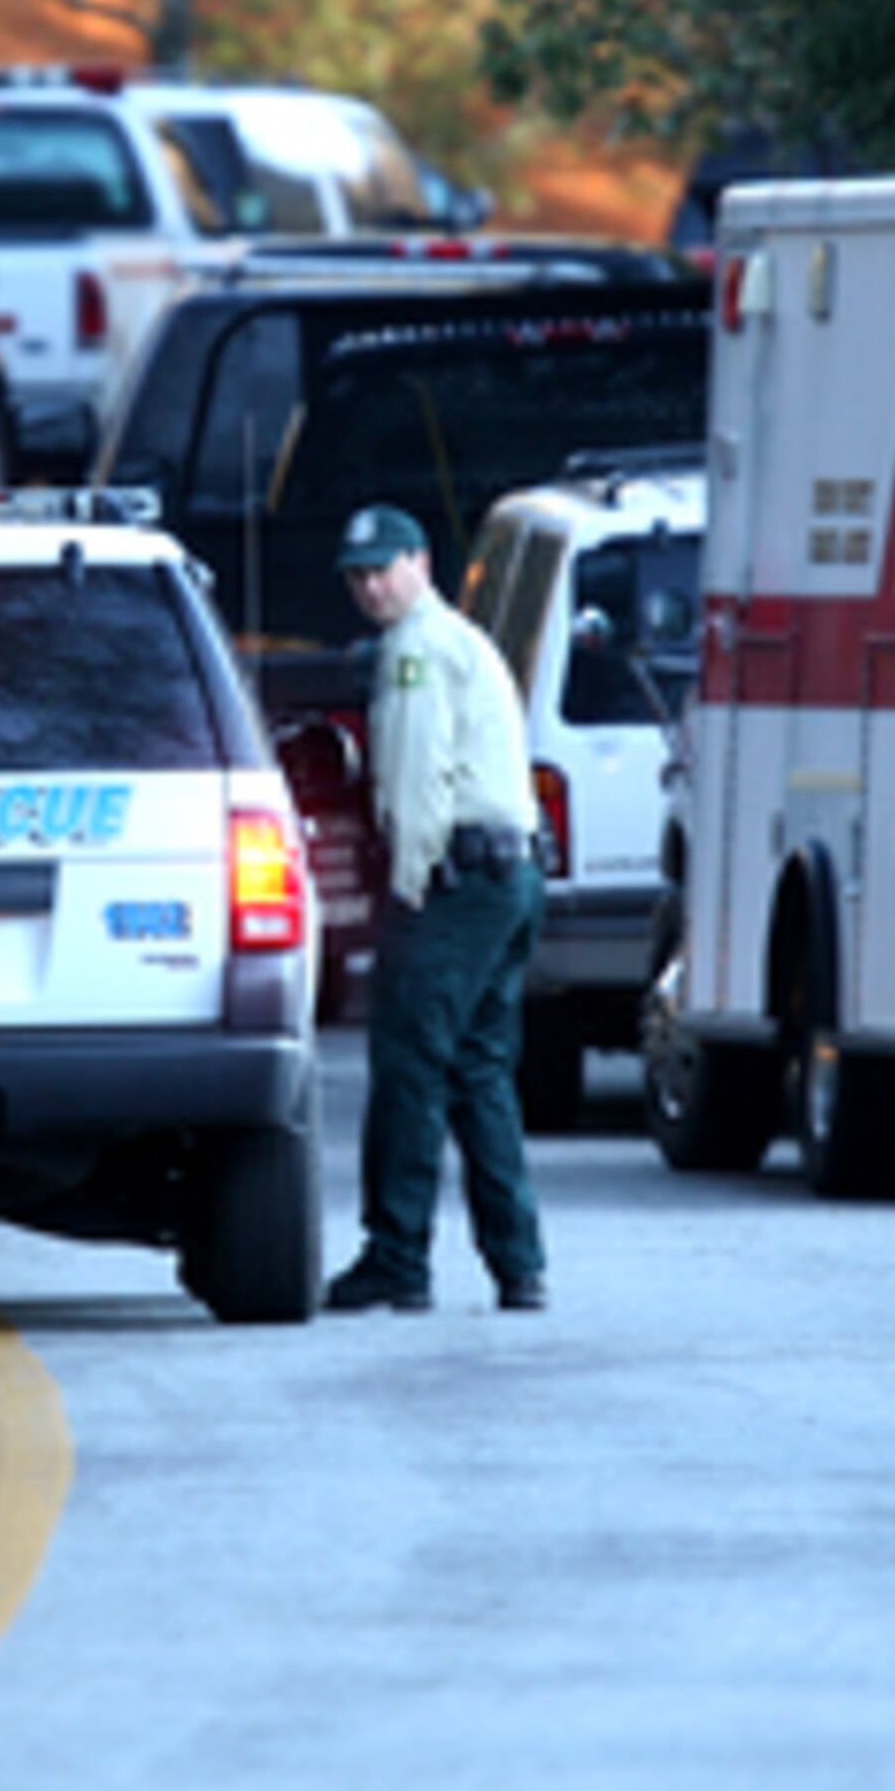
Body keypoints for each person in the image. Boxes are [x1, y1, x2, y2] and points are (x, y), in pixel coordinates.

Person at [322, 503, 550, 1315]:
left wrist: (407, 883)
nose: (371, 587)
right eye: (357, 575)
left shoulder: (415, 649)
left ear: (420, 562)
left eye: (383, 568)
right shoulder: (465, 640)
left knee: (409, 1069)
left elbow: (419, 778)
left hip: (453, 883)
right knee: (479, 1069)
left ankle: (397, 1257)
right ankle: (518, 1263)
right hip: (509, 875)